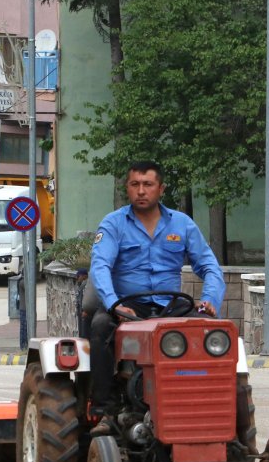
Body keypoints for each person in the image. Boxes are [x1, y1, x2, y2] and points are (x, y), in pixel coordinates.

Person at [88, 160, 225, 436]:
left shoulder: (182, 224)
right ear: (127, 188)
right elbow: (100, 266)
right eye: (135, 184)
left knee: (210, 333)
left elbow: (209, 266)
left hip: (170, 306)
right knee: (100, 326)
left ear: (160, 188)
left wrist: (211, 299)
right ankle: (106, 411)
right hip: (128, 305)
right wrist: (115, 304)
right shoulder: (113, 224)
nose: (141, 191)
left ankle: (208, 407)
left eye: (147, 184)